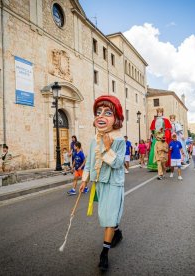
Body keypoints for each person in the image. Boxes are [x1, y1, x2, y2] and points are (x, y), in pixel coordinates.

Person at [79, 95, 126, 271]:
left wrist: (107, 148)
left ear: (116, 119)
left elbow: (118, 163)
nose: (101, 116)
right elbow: (90, 163)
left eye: (107, 112)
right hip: (100, 183)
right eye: (98, 112)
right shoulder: (93, 140)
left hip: (114, 183)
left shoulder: (119, 140)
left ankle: (104, 254)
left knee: (108, 219)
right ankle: (117, 232)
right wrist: (84, 180)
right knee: (106, 216)